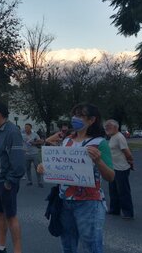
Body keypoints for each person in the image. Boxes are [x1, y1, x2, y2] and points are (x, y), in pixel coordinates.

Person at [37, 103, 114, 253]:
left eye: (80, 115)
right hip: (65, 201)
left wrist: (99, 161)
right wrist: (45, 168)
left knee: (91, 246)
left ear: (92, 120)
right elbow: (62, 167)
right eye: (74, 115)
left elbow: (110, 176)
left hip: (89, 203)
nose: (75, 119)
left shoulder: (100, 143)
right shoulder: (67, 141)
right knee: (68, 245)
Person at [0, 101, 25, 253]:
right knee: (0, 214)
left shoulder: (12, 131)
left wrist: (10, 181)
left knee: (11, 216)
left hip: (5, 182)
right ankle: (0, 247)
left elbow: (18, 161)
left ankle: (17, 250)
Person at [104, 119, 135, 219]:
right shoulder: (112, 137)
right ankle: (114, 210)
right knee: (113, 190)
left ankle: (128, 213)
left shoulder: (119, 137)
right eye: (106, 127)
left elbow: (126, 151)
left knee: (123, 191)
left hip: (121, 168)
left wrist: (130, 161)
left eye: (109, 126)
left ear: (116, 127)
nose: (107, 128)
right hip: (113, 168)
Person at [22, 123, 44, 188]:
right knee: (27, 168)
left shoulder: (35, 135)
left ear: (30, 128)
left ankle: (39, 182)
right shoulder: (22, 135)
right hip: (26, 154)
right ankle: (29, 181)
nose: (26, 129)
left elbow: (41, 142)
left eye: (27, 127)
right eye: (25, 127)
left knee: (37, 168)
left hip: (35, 153)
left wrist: (34, 143)